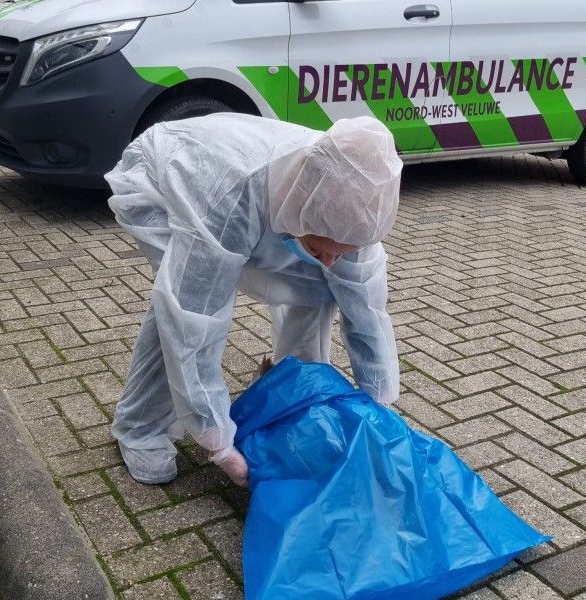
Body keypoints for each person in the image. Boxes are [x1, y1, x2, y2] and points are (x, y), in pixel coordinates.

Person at [105, 113, 403, 487]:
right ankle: (140, 427)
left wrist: (379, 403)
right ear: (302, 211)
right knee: (180, 299)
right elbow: (193, 318)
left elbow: (367, 312)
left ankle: (291, 381)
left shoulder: (355, 210)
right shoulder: (230, 201)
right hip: (166, 178)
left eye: (341, 253)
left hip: (259, 199)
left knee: (323, 284)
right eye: (322, 247)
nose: (331, 260)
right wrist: (217, 440)